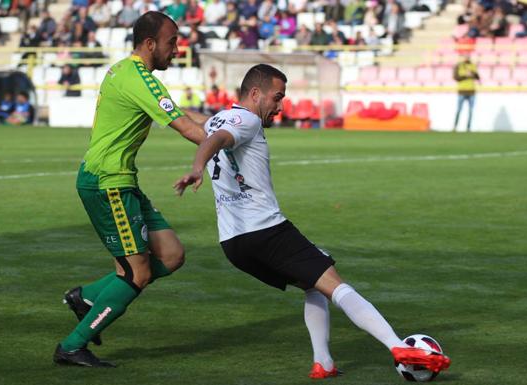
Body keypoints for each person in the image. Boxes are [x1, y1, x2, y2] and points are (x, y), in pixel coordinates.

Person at [173, 64, 452, 379]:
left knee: (313, 283)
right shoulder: (246, 119)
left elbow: (195, 126)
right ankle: (398, 346)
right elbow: (218, 140)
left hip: (233, 243)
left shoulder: (218, 117)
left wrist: (162, 104)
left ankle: (324, 363)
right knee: (335, 284)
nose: (281, 107)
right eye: (277, 98)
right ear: (254, 94)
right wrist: (198, 166)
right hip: (266, 231)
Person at [52, 11, 209, 367]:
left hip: (122, 181)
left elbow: (183, 115)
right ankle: (72, 346)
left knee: (170, 254)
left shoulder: (125, 71)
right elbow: (185, 127)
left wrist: (227, 125)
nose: (177, 49)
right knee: (137, 273)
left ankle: (86, 297)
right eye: (172, 42)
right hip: (108, 184)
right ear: (150, 43)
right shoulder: (140, 79)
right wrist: (230, 144)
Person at [453, 54, 479, 132]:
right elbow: (456, 77)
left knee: (470, 111)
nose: (467, 57)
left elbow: (477, 77)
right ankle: (455, 126)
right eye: (465, 56)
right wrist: (465, 75)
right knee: (459, 110)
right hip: (462, 91)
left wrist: (472, 73)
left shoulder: (473, 66)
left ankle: (468, 128)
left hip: (472, 91)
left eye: (468, 56)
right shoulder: (459, 66)